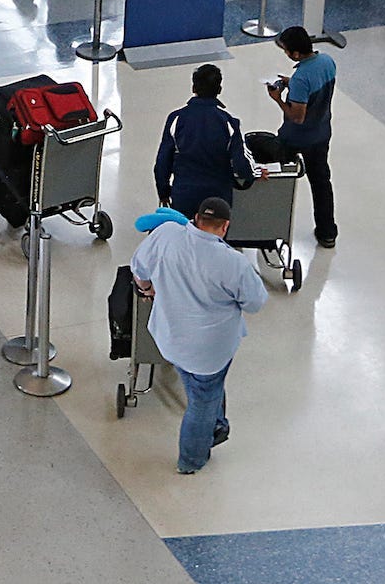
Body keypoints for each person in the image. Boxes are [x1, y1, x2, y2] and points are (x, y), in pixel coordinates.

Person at [129, 198, 267, 475]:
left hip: (169, 337)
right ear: (225, 227)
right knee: (202, 398)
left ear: (194, 217)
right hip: (209, 351)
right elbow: (255, 303)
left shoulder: (167, 234)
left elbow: (139, 269)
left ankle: (216, 423)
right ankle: (191, 460)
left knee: (197, 382)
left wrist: (147, 289)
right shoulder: (233, 263)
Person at [265, 26, 338, 247]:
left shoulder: (301, 79)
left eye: (286, 50)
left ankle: (269, 227)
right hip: (321, 133)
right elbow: (314, 86)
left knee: (276, 179)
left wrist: (277, 98)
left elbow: (297, 117)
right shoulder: (327, 61)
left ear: (295, 53)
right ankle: (327, 233)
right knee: (321, 182)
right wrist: (293, 83)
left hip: (296, 138)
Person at [154, 63, 256, 220]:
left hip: (184, 195)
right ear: (219, 90)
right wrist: (251, 175)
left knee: (184, 238)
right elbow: (241, 164)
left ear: (193, 88)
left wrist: (164, 192)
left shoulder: (176, 119)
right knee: (214, 242)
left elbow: (162, 162)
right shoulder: (229, 122)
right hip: (218, 198)